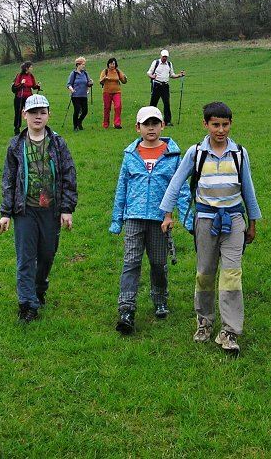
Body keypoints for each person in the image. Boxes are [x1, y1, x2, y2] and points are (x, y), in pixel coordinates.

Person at [160, 102, 261, 355]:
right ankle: (204, 321)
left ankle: (229, 331)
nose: (221, 130)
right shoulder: (196, 153)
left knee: (231, 274)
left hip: (234, 220)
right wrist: (168, 214)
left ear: (231, 124)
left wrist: (252, 222)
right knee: (205, 272)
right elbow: (176, 183)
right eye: (215, 124)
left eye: (225, 124)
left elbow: (248, 189)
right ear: (205, 124)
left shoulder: (239, 153)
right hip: (205, 220)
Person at [110, 106, 194, 334]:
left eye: (155, 123)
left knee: (158, 263)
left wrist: (189, 220)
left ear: (162, 126)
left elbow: (181, 189)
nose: (151, 128)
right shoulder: (130, 155)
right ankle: (126, 309)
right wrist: (117, 219)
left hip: (160, 220)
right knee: (131, 263)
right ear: (138, 128)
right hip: (134, 218)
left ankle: (160, 300)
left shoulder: (172, 155)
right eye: (146, 124)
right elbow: (122, 187)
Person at [0, 94, 77, 323]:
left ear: (49, 114)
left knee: (47, 255)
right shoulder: (16, 145)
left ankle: (39, 288)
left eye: (42, 112)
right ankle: (27, 304)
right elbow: (9, 180)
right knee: (25, 258)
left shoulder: (58, 143)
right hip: (25, 211)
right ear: (24, 115)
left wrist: (66, 208)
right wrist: (6, 213)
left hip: (51, 210)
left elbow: (68, 175)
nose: (38, 116)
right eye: (33, 112)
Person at [147, 49, 185, 125]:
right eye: (164, 56)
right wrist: (152, 76)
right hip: (157, 85)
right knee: (153, 103)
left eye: (166, 57)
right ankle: (150, 119)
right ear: (161, 56)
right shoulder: (156, 62)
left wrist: (180, 75)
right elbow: (149, 72)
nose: (165, 58)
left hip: (165, 86)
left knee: (166, 103)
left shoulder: (169, 64)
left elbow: (172, 75)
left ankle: (167, 121)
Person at [12, 61, 41, 135]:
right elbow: (15, 86)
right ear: (26, 68)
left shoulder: (31, 76)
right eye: (31, 67)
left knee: (31, 112)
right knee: (18, 113)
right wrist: (21, 84)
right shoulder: (20, 75)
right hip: (19, 97)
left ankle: (32, 127)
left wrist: (37, 86)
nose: (32, 68)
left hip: (29, 98)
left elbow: (33, 86)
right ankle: (17, 129)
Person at [99, 57, 127, 129]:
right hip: (107, 92)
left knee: (118, 107)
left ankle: (117, 124)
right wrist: (104, 79)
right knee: (107, 108)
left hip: (117, 92)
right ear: (108, 64)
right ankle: (106, 124)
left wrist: (125, 78)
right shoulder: (105, 71)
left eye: (113, 64)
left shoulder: (117, 71)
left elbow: (123, 81)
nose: (112, 65)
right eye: (111, 64)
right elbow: (100, 81)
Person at [67, 57, 93, 132]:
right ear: (78, 65)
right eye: (82, 64)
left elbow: (88, 82)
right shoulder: (73, 74)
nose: (84, 66)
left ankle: (79, 122)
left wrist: (90, 83)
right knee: (77, 110)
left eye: (84, 64)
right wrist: (71, 89)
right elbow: (69, 84)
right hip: (75, 96)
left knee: (85, 111)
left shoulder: (85, 73)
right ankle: (75, 126)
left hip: (84, 95)